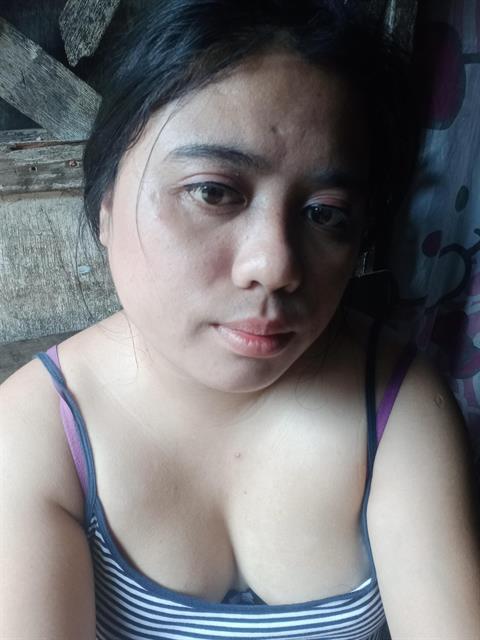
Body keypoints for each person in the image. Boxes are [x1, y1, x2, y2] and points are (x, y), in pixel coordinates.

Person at [1, 1, 479, 639]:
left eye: (325, 213)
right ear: (107, 202)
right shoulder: (38, 430)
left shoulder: (397, 406)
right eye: (213, 191)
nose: (275, 265)